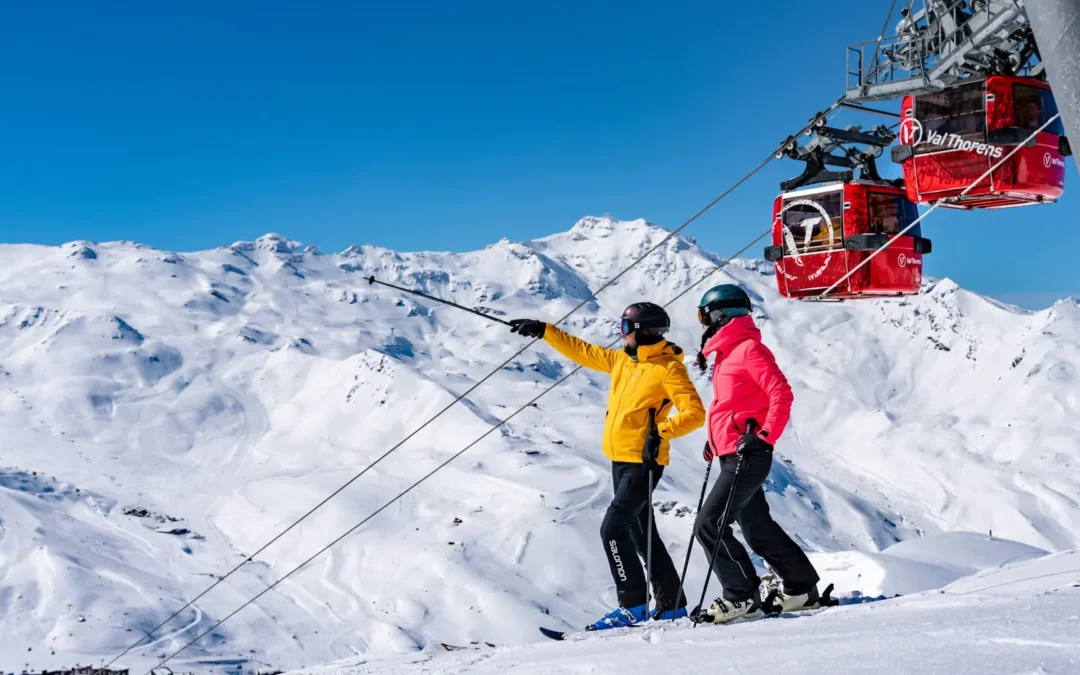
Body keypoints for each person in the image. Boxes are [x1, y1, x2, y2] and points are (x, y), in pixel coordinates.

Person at [509, 303, 706, 630]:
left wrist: (660, 432)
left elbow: (694, 413)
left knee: (612, 529)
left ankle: (634, 606)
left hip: (643, 463)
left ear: (640, 330)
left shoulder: (668, 369)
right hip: (621, 460)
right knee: (642, 535)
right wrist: (544, 330)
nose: (622, 333)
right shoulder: (622, 361)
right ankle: (671, 606)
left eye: (625, 327)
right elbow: (582, 351)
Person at [690, 284, 822, 623]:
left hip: (749, 454)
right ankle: (801, 589)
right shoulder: (726, 355)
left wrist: (764, 437)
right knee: (757, 529)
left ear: (719, 314)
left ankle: (741, 597)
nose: (703, 322)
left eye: (705, 315)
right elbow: (733, 406)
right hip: (734, 452)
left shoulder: (748, 350)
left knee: (710, 524)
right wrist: (716, 442)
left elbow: (781, 393)